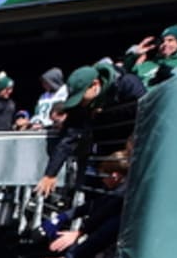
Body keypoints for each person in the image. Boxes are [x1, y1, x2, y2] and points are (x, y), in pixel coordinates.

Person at [34, 61, 144, 198]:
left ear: (95, 85)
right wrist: (50, 174)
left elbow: (145, 111)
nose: (80, 102)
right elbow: (67, 139)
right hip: (105, 160)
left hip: (133, 154)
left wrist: (104, 114)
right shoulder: (82, 105)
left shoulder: (127, 84)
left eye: (81, 96)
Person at [129, 24, 177, 90]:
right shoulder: (146, 64)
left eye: (170, 40)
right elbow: (125, 75)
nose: (165, 44)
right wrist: (135, 54)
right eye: (162, 41)